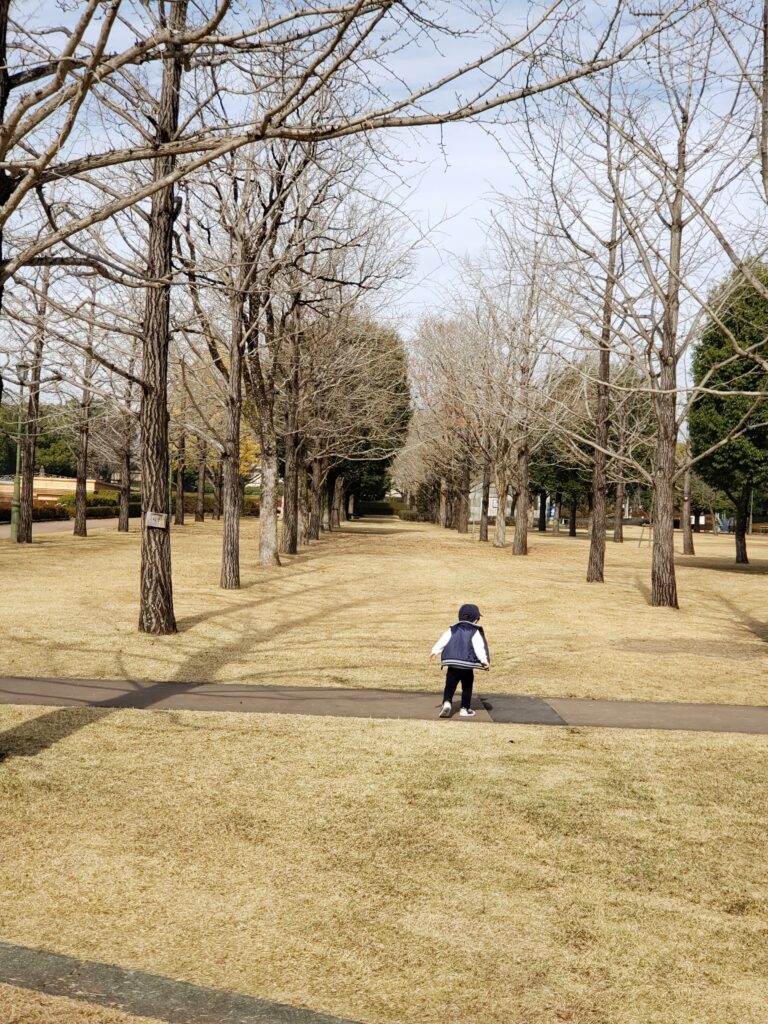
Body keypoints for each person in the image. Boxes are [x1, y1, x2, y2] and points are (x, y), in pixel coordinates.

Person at [429, 603, 490, 718]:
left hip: (452, 665)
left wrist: (435, 651)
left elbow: (443, 640)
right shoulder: (474, 631)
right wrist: (484, 660)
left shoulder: (453, 629)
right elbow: (479, 647)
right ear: (474, 619)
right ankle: (464, 708)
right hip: (466, 666)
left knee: (450, 685)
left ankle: (447, 702)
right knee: (467, 686)